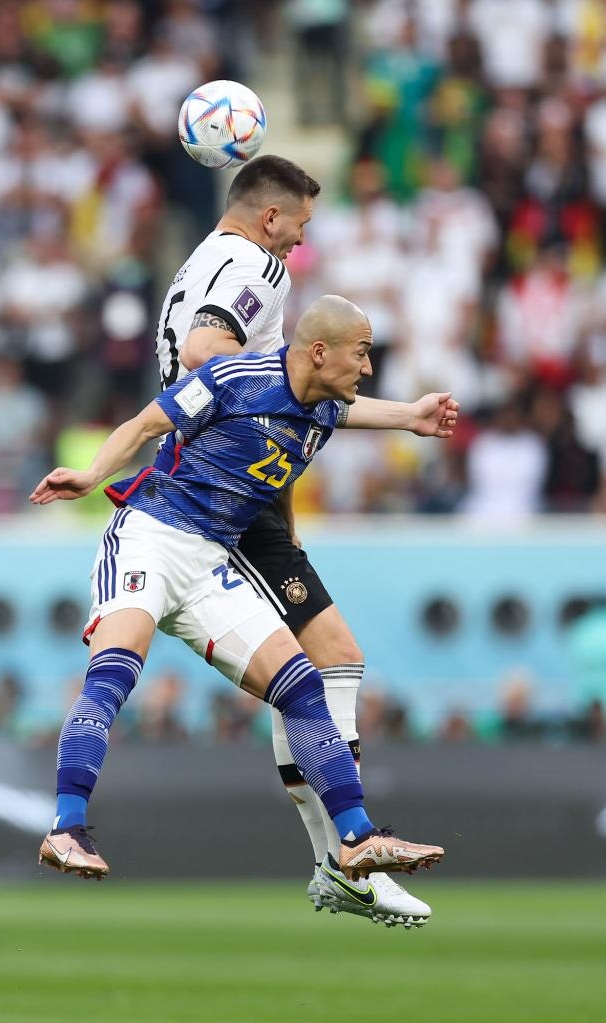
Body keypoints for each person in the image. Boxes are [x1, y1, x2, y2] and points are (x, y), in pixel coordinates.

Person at [31, 296, 448, 890]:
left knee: (301, 685)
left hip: (212, 565)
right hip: (152, 537)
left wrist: (410, 415)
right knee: (113, 675)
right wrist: (92, 475)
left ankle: (356, 839)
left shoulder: (323, 410)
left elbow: (351, 414)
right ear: (320, 352)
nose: (368, 366)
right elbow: (148, 424)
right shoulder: (235, 378)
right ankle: (66, 827)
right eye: (361, 353)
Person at [153, 155, 458, 926]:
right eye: (299, 225)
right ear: (269, 217)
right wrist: (252, 418)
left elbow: (291, 391)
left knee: (326, 664)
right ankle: (344, 856)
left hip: (230, 480)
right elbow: (205, 354)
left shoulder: (204, 259)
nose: (300, 241)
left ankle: (340, 857)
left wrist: (404, 415)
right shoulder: (257, 266)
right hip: (221, 489)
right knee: (323, 664)